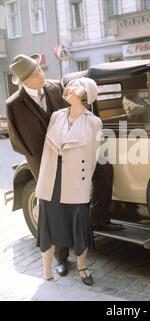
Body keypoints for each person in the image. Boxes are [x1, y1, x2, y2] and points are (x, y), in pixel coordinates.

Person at [6, 54, 123, 278]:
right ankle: (61, 258)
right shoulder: (14, 105)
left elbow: (79, 108)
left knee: (104, 168)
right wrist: (45, 155)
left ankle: (98, 219)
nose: (42, 75)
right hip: (45, 160)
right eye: (36, 74)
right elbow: (17, 142)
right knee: (56, 207)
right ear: (24, 81)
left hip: (75, 152)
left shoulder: (55, 87)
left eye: (40, 70)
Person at [36, 78, 100, 285]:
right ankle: (47, 272)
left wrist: (83, 185)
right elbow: (47, 150)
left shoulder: (93, 122)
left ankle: (82, 268)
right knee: (48, 225)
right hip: (51, 178)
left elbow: (91, 158)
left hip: (75, 180)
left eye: (73, 86)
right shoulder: (56, 116)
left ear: (84, 94)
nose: (68, 88)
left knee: (79, 225)